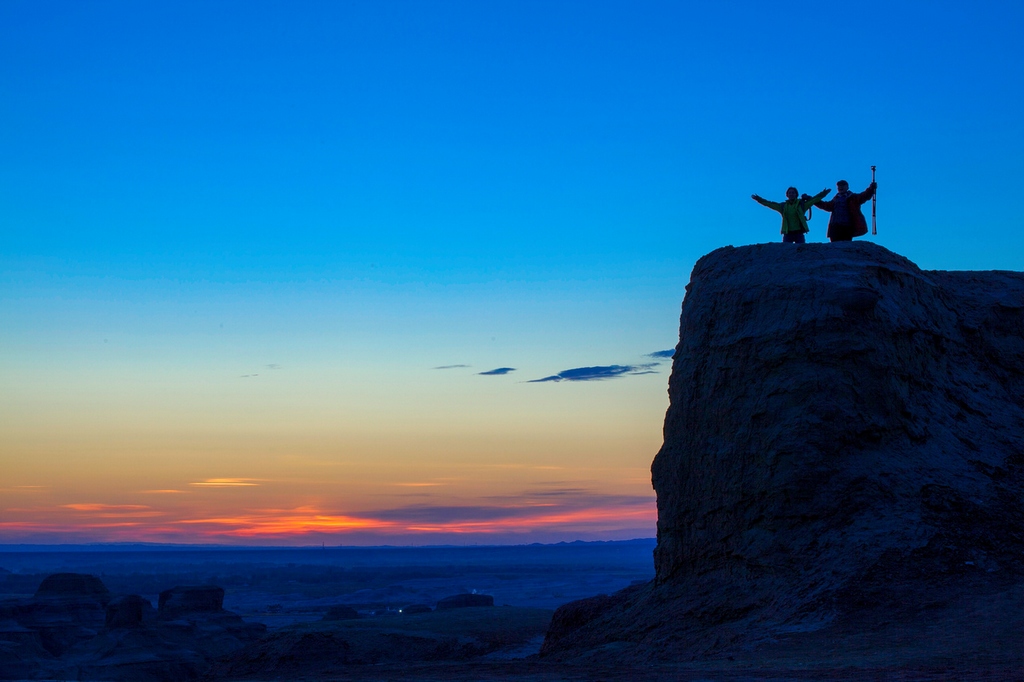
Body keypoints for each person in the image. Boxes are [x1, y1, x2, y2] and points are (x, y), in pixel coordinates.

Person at [751, 186, 830, 243]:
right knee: (786, 252)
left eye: (793, 193)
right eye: (790, 193)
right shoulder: (783, 206)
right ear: (787, 195)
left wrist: (824, 193)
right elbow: (769, 204)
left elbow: (814, 200)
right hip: (788, 233)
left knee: (801, 252)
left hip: (799, 233)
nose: (791, 194)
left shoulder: (801, 205)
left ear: (796, 194)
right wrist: (758, 199)